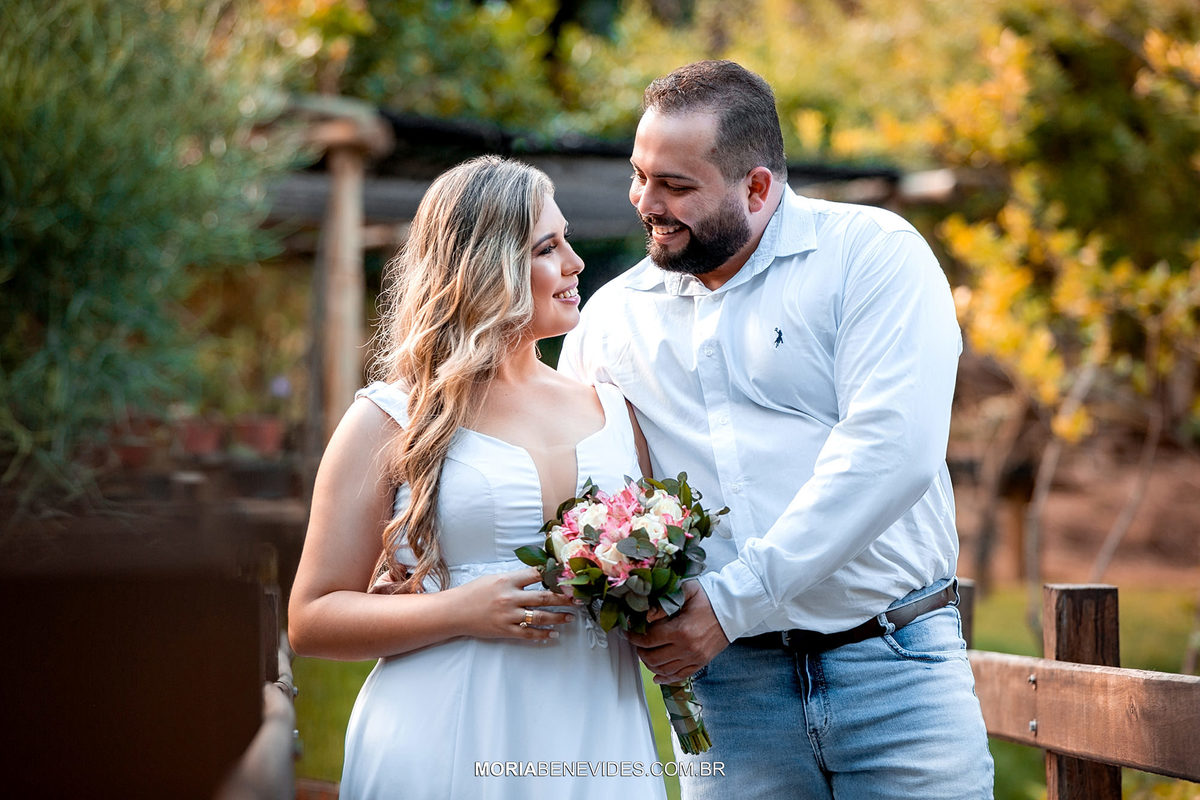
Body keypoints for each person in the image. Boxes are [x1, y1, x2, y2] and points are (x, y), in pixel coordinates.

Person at [559, 60, 994, 798]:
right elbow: (575, 478)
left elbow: (891, 451)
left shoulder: (871, 255)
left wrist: (732, 604)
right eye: (639, 176)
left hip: (896, 672)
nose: (646, 203)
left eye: (676, 186)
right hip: (727, 695)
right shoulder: (611, 321)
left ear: (757, 188)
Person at [288, 156, 666, 800]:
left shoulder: (612, 409)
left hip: (598, 734)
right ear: (486, 267)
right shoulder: (392, 417)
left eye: (566, 240)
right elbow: (311, 619)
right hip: (445, 732)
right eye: (546, 248)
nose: (575, 263)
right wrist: (459, 610)